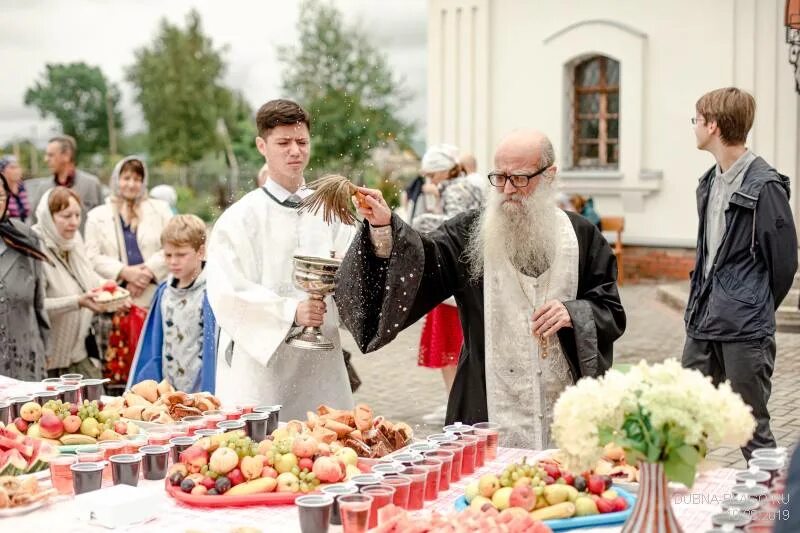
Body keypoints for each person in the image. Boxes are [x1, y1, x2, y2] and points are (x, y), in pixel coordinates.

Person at [336, 130, 626, 449]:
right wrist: (385, 226)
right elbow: (425, 259)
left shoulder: (582, 236)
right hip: (487, 405)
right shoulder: (470, 233)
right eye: (499, 177)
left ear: (549, 176)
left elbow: (610, 310)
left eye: (519, 178)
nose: (507, 190)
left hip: (567, 412)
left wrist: (573, 313)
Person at [206, 99, 355, 420]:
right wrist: (290, 311)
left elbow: (356, 271)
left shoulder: (330, 211)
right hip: (262, 366)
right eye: (283, 143)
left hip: (320, 365)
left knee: (328, 452)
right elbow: (227, 292)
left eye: (302, 142)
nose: (295, 151)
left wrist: (376, 236)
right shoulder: (240, 219)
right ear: (262, 145)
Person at [682, 87, 797, 461]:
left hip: (744, 330)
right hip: (703, 322)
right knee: (684, 421)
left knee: (750, 429)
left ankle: (776, 515)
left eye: (696, 120)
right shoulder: (708, 182)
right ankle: (677, 511)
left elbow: (783, 264)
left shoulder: (765, 187)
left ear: (713, 125)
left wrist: (750, 302)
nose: (694, 127)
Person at [411, 144, 484, 424]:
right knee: (455, 344)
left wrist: (421, 220)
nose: (430, 181)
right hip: (464, 274)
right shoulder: (465, 185)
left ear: (443, 169)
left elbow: (456, 227)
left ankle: (456, 402)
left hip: (455, 276)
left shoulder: (456, 190)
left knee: (452, 345)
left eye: (432, 174)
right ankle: (454, 400)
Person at [32, 187, 115, 378]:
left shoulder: (74, 241)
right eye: (66, 216)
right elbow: (35, 306)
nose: (74, 222)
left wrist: (110, 288)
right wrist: (77, 302)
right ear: (48, 216)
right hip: (49, 362)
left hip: (79, 354)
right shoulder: (34, 249)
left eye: (77, 215)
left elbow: (88, 277)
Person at [129, 215, 217, 393]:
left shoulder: (211, 292)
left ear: (200, 252)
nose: (173, 261)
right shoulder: (164, 292)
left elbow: (213, 350)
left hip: (202, 391)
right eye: (168, 255)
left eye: (181, 255)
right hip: (168, 389)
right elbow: (154, 345)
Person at [85, 156, 173, 309]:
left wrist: (147, 272)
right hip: (114, 298)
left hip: (156, 294)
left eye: (137, 179)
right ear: (116, 180)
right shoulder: (97, 216)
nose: (131, 185)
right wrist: (124, 272)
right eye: (126, 178)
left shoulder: (161, 210)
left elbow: (173, 244)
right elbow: (91, 257)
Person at [0, 172, 50, 381]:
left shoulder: (25, 238)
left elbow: (39, 302)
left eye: (0, 196)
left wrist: (46, 349)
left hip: (25, 356)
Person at [27, 135, 104, 232]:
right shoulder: (43, 188)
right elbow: (34, 224)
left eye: (51, 155)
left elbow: (103, 222)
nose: (46, 159)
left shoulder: (91, 185)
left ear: (66, 155)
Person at [0, 156, 32, 224]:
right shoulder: (2, 191)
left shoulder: (23, 188)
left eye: (18, 167)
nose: (17, 170)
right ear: (2, 172)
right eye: (12, 168)